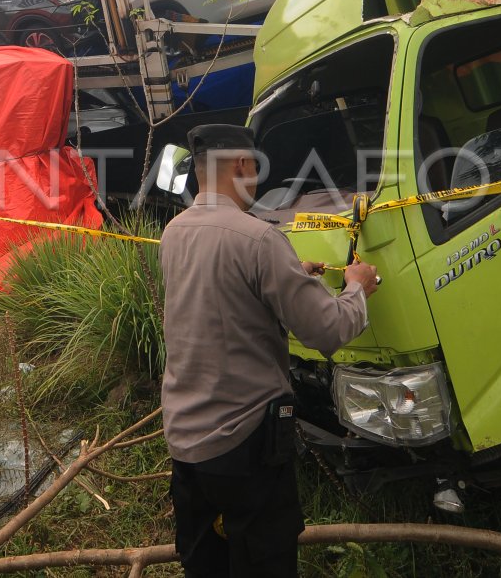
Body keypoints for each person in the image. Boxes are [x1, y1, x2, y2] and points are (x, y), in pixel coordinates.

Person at [160, 124, 380, 577]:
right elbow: (327, 329)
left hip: (186, 444)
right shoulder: (258, 239)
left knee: (207, 565)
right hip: (245, 446)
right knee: (266, 563)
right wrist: (357, 288)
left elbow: (218, 293)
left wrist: (290, 274)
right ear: (242, 165)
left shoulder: (175, 233)